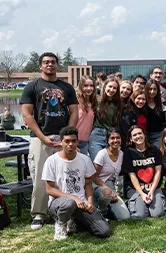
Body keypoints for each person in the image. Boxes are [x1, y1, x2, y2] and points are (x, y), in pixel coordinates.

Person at [20, 52, 78, 230]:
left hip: (62, 138)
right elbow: (27, 115)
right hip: (41, 137)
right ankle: (39, 213)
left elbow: (74, 112)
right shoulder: (32, 86)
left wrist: (66, 136)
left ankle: (66, 212)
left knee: (67, 175)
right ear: (40, 66)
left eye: (53, 62)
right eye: (46, 62)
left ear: (57, 65)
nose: (50, 65)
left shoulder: (66, 87)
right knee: (40, 176)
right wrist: (43, 138)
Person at [42, 126, 110, 240]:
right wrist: (74, 198)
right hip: (59, 203)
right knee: (69, 203)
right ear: (61, 142)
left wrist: (90, 202)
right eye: (67, 141)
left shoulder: (84, 159)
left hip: (81, 204)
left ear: (77, 142)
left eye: (73, 141)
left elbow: (88, 183)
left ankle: (74, 220)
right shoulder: (52, 161)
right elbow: (50, 190)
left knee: (104, 231)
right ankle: (61, 224)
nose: (70, 144)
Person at [122, 125, 166, 219]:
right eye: (134, 135)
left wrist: (152, 190)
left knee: (157, 214)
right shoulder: (128, 152)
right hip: (136, 189)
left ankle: (154, 202)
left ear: (144, 135)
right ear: (131, 139)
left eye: (140, 133)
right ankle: (136, 203)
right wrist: (142, 194)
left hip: (153, 187)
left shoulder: (155, 150)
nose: (138, 136)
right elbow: (132, 175)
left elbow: (158, 172)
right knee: (139, 215)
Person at [92, 128, 130, 220]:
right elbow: (94, 176)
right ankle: (102, 211)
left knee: (124, 217)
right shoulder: (102, 154)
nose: (115, 140)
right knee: (107, 195)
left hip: (112, 185)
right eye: (112, 138)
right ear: (108, 140)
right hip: (98, 185)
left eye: (118, 138)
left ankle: (107, 208)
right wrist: (107, 188)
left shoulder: (121, 154)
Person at [88, 76, 122, 161]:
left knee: (109, 163)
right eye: (110, 86)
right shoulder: (96, 100)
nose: (112, 89)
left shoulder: (118, 104)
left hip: (111, 135)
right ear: (105, 86)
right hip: (97, 135)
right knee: (97, 162)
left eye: (114, 88)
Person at [76, 75, 97, 155]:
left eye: (91, 86)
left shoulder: (93, 103)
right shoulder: (76, 100)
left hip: (85, 142)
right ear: (81, 86)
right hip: (74, 140)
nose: (89, 88)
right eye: (86, 86)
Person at [145, 79, 166, 148]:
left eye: (155, 89)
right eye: (150, 89)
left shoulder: (161, 104)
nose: (152, 91)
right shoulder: (142, 103)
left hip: (158, 135)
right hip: (144, 135)